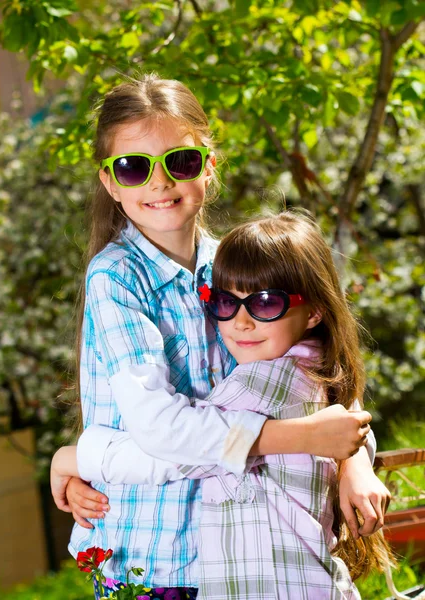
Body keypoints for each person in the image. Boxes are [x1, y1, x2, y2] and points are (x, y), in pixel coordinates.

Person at [51, 74, 388, 600]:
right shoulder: (116, 277)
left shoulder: (234, 267)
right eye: (133, 168)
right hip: (153, 554)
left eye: (179, 161)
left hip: (238, 553)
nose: (159, 184)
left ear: (208, 165)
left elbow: (319, 373)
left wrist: (352, 459)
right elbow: (161, 428)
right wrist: (301, 439)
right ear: (110, 183)